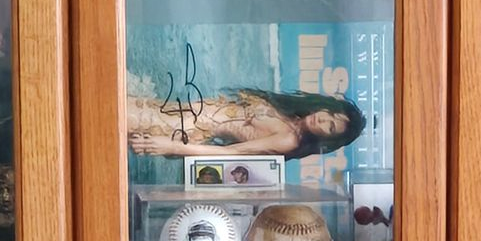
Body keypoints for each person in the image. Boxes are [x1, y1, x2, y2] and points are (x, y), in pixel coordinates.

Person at [125, 83, 366, 164]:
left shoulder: (288, 140)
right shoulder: (290, 114)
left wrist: (170, 147)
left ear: (327, 139)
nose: (324, 119)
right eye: (331, 114)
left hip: (178, 128)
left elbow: (227, 153)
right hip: (176, 113)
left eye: (331, 127)